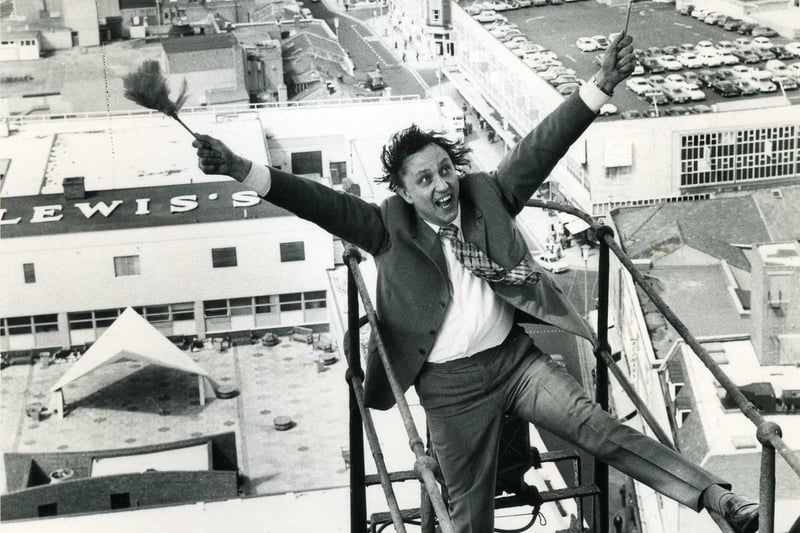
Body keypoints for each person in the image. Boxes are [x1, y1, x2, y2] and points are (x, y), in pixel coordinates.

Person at [192, 33, 758, 533]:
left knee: (597, 427)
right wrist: (242, 166)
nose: (442, 186)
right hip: (448, 389)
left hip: (516, 364)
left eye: (445, 170)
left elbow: (541, 145)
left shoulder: (486, 193)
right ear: (404, 191)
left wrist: (600, 85)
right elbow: (316, 202)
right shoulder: (388, 226)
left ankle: (715, 497)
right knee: (468, 517)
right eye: (425, 179)